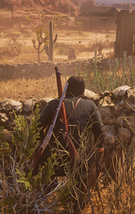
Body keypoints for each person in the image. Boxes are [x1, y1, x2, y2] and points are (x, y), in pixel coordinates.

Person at [32, 76, 104, 210]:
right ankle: (78, 202)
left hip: (52, 158)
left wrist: (42, 142)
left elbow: (36, 127)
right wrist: (100, 149)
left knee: (44, 184)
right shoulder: (90, 105)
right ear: (83, 89)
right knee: (91, 166)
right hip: (80, 159)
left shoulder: (54, 104)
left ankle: (45, 203)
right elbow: (100, 131)